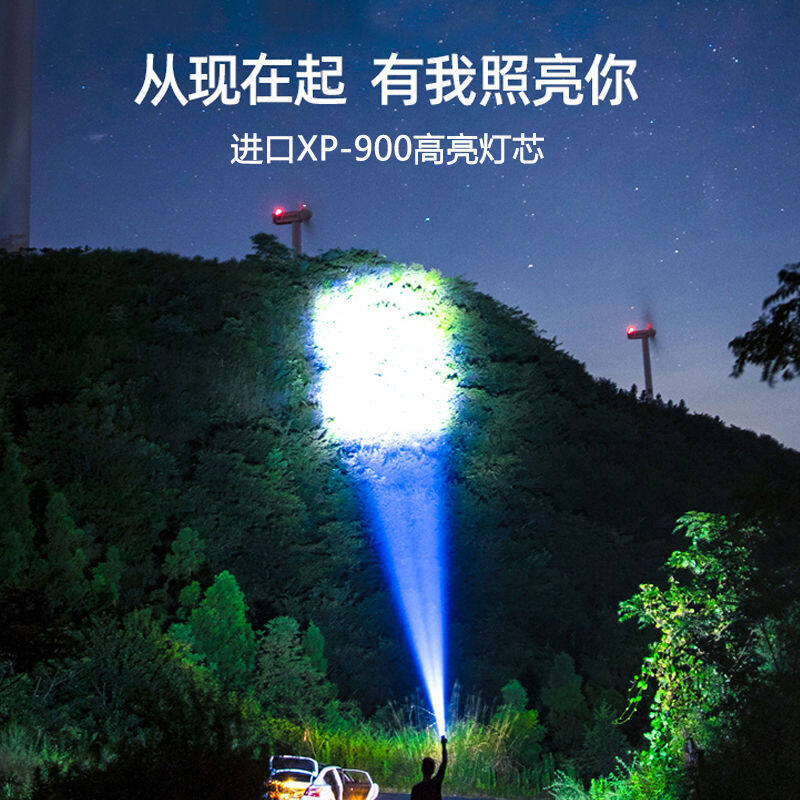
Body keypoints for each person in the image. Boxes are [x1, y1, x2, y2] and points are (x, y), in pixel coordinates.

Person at [410, 735, 448, 800]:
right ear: (433, 770)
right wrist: (443, 745)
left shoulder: (416, 789)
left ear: (422, 769)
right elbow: (444, 762)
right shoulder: (435, 784)